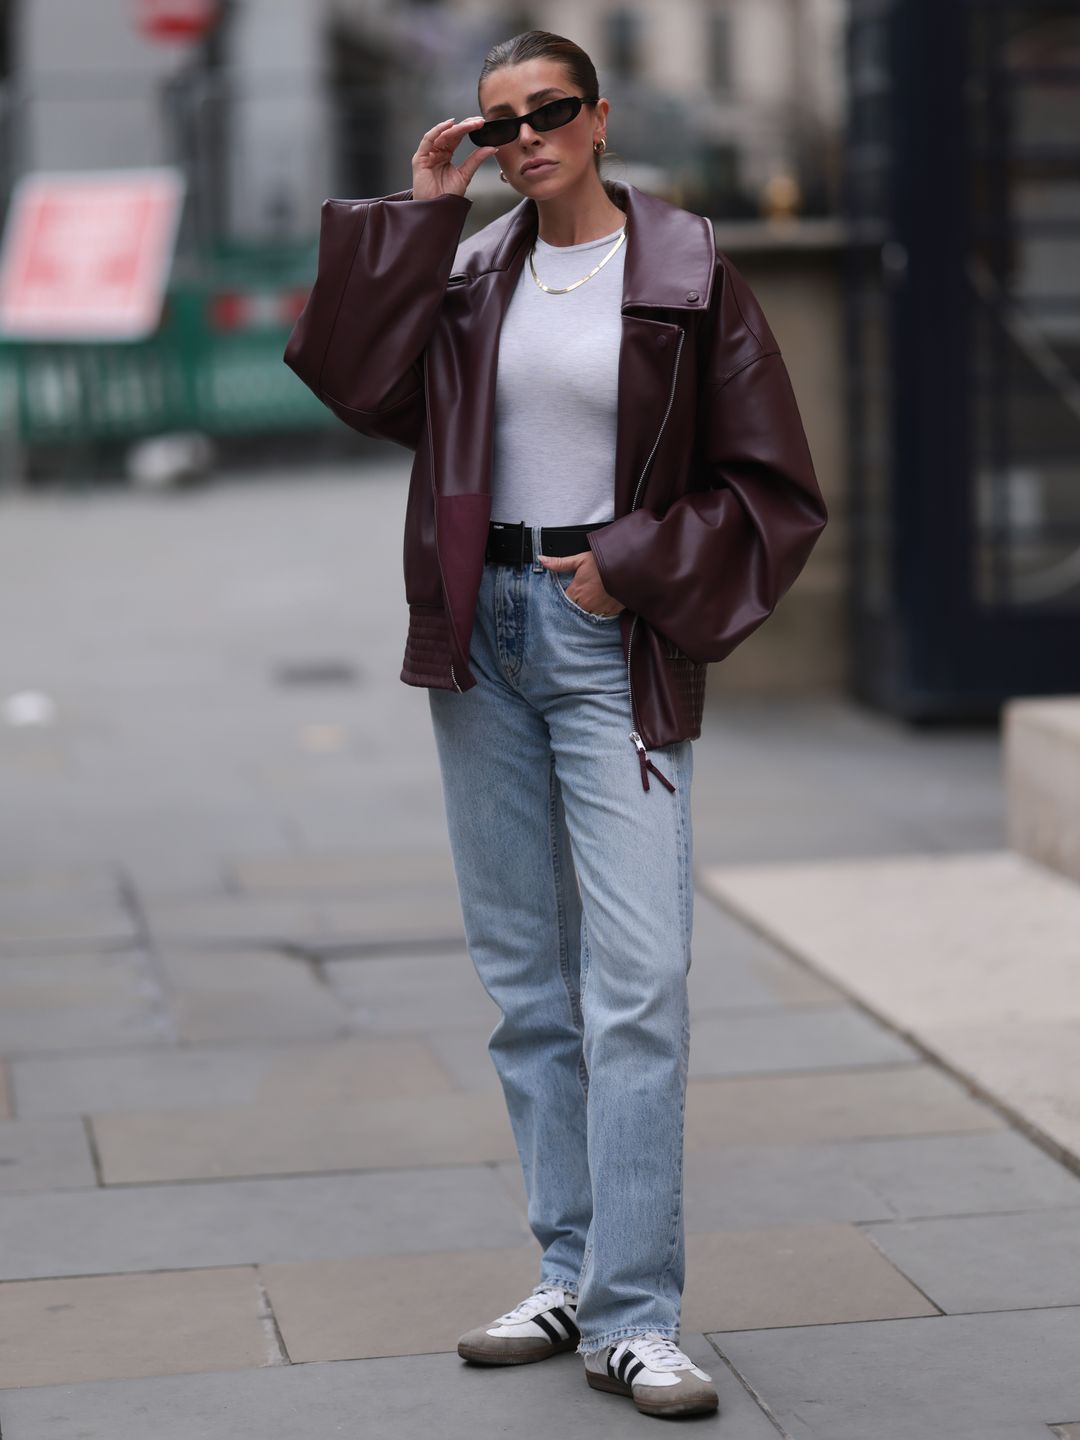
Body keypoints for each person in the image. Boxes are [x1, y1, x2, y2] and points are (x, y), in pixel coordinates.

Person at [284, 28, 827, 1422]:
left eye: (548, 112)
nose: (523, 138)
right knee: (529, 987)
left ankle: (641, 1318)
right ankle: (569, 1270)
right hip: (484, 640)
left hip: (606, 638)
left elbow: (775, 488)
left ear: (598, 117)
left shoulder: (691, 276)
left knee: (635, 985)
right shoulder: (470, 273)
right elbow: (352, 380)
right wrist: (419, 216)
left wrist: (630, 569)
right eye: (495, 124)